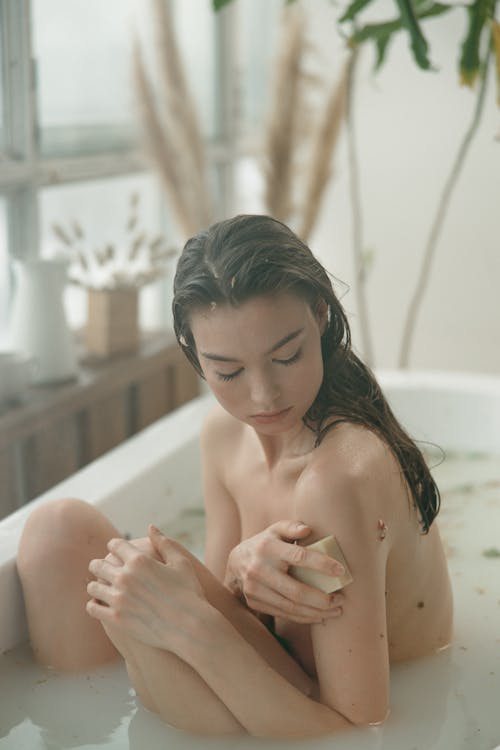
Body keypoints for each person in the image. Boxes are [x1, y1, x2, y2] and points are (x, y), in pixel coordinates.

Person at [17, 214, 453, 739]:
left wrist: (191, 627)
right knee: (56, 533)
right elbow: (239, 610)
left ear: (320, 315)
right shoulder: (224, 437)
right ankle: (75, 727)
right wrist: (237, 570)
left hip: (326, 715)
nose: (264, 396)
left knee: (143, 587)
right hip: (263, 684)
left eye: (286, 356)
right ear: (194, 352)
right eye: (228, 371)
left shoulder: (340, 475)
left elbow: (357, 728)